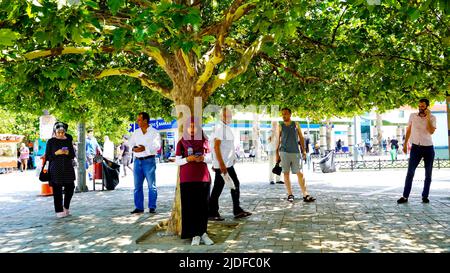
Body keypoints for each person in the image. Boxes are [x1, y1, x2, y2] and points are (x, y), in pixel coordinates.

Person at [175, 117, 214, 246]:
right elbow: (177, 161)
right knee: (189, 208)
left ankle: (203, 233)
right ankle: (194, 235)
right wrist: (188, 159)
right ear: (186, 128)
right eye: (189, 126)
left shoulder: (204, 140)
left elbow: (210, 159)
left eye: (194, 126)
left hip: (203, 179)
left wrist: (203, 158)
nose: (192, 129)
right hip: (187, 179)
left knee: (203, 207)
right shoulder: (181, 142)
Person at [209, 107, 252, 221]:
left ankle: (228, 210)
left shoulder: (225, 128)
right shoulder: (220, 128)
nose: (228, 118)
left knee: (221, 186)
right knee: (230, 185)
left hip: (226, 164)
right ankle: (230, 210)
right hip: (224, 165)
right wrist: (220, 164)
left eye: (229, 116)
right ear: (221, 116)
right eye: (226, 116)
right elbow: (216, 147)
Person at [397, 98, 436, 204]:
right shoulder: (412, 116)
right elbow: (409, 130)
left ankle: (425, 196)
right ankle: (405, 196)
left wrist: (427, 118)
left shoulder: (432, 117)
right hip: (415, 148)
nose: (420, 108)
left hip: (428, 148)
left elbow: (431, 131)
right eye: (419, 106)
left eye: (422, 106)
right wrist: (405, 144)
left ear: (427, 107)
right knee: (410, 172)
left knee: (428, 174)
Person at [276, 108, 316, 202]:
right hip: (284, 152)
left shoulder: (296, 124)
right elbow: (277, 140)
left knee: (300, 173)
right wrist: (276, 154)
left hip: (295, 152)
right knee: (286, 174)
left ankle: (305, 194)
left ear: (290, 114)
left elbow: (301, 138)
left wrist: (304, 150)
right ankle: (290, 194)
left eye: (285, 114)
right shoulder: (280, 125)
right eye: (282, 114)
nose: (283, 116)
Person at [128, 112, 161, 214]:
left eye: (139, 120)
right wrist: (134, 148)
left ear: (145, 120)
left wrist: (144, 148)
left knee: (152, 185)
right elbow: (130, 144)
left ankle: (152, 207)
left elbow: (157, 146)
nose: (137, 121)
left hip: (149, 161)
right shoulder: (136, 132)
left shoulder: (154, 132)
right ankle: (139, 207)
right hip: (137, 162)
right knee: (137, 186)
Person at [45, 122, 76, 218]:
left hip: (67, 168)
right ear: (55, 132)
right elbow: (47, 157)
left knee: (70, 188)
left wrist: (67, 153)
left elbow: (72, 155)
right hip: (55, 168)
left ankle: (66, 207)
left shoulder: (68, 140)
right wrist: (56, 153)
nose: (60, 134)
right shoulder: (51, 141)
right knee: (57, 190)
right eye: (58, 132)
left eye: (62, 132)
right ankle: (58, 210)